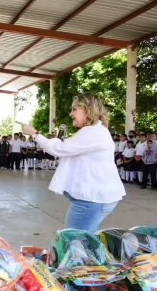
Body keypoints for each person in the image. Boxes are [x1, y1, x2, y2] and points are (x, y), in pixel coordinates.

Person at [19, 93, 125, 233]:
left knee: (74, 243)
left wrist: (34, 134)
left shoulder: (92, 132)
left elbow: (58, 149)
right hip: (95, 198)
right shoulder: (97, 131)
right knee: (83, 242)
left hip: (90, 200)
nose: (70, 114)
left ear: (88, 110)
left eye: (74, 109)